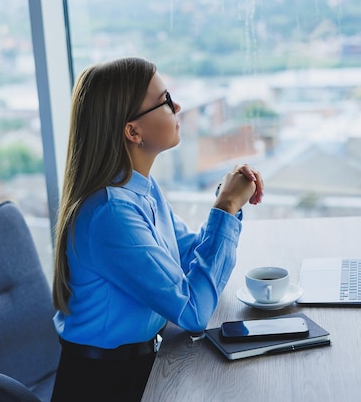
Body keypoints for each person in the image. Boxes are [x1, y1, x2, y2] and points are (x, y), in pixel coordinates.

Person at [49, 57, 264, 402]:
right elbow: (193, 312)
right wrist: (225, 208)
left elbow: (183, 253)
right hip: (106, 386)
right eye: (164, 101)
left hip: (147, 364)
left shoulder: (139, 189)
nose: (176, 106)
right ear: (133, 132)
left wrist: (227, 205)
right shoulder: (110, 214)